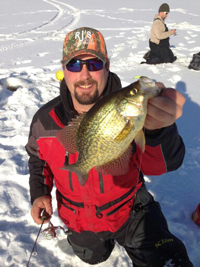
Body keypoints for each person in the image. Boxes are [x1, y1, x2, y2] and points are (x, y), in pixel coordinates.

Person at [26, 27, 193, 267]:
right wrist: (40, 193)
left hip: (130, 210)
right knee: (92, 257)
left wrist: (158, 131)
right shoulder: (44, 120)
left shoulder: (140, 114)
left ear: (107, 66)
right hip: (78, 217)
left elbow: (166, 164)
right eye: (74, 64)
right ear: (64, 69)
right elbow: (37, 159)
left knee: (168, 260)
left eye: (94, 64)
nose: (84, 74)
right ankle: (86, 244)